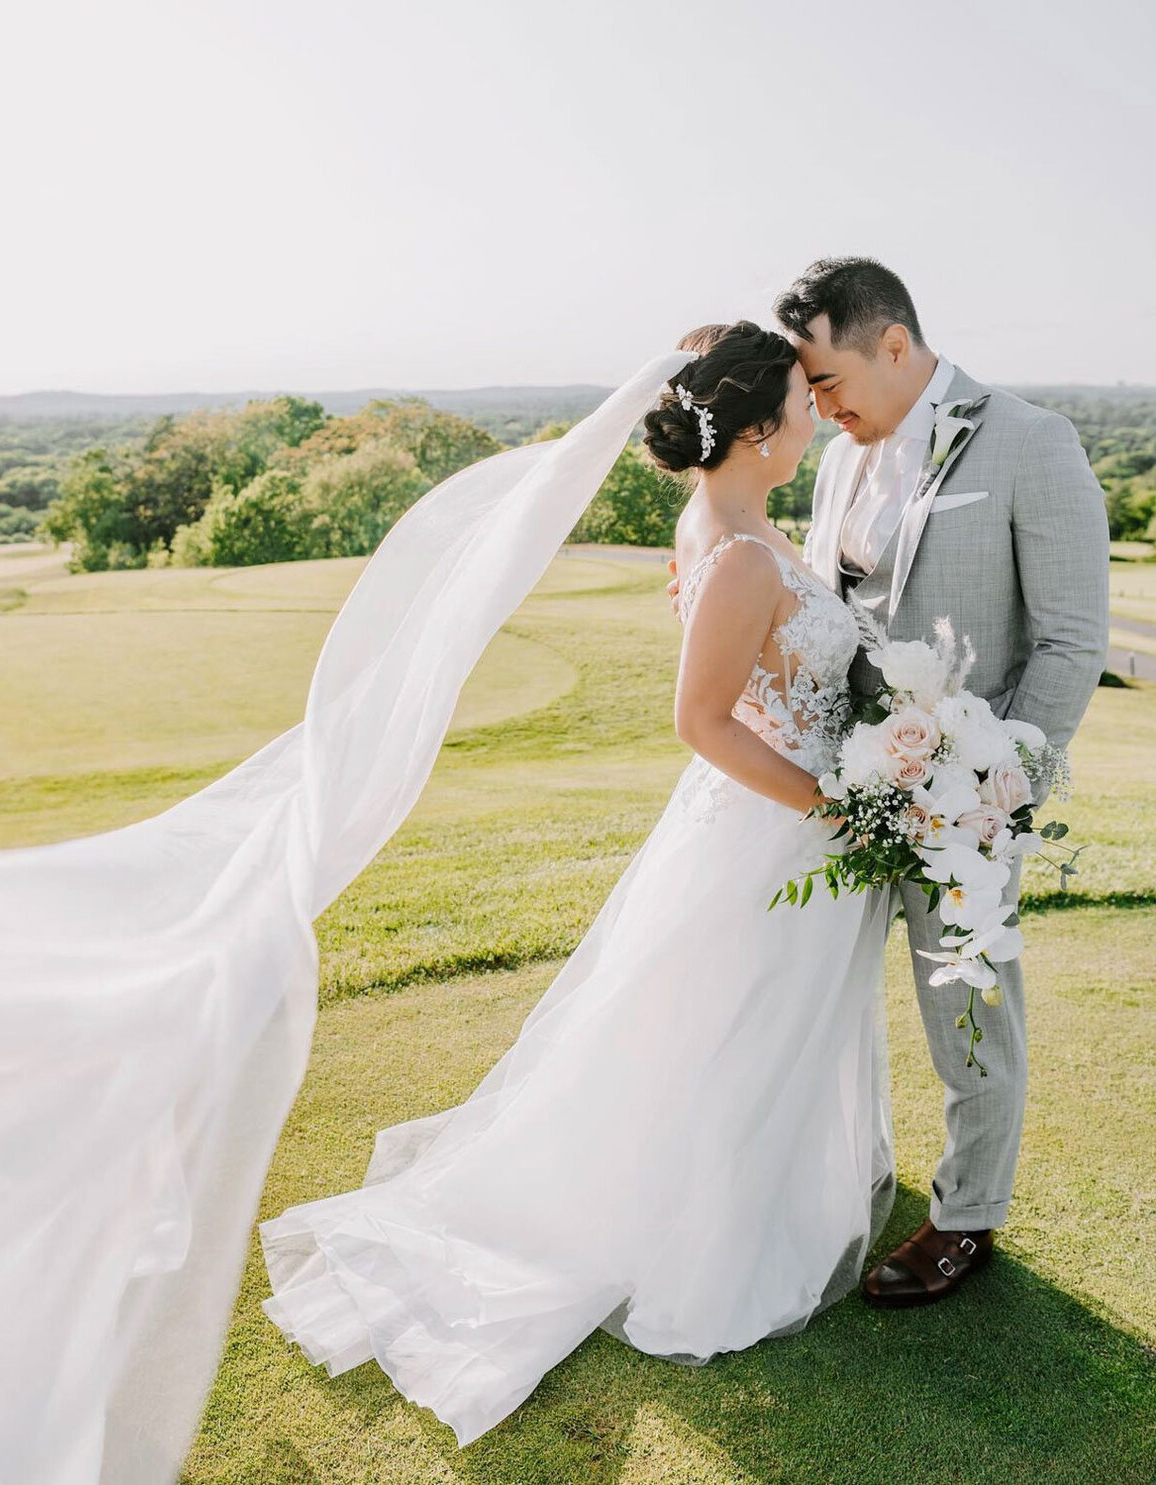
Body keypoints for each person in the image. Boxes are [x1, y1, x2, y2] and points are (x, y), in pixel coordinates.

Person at [260, 321, 898, 1447]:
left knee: (742, 1032)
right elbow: (699, 722)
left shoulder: (730, 522)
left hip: (779, 832)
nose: (819, 411)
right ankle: (696, 1243)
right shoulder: (742, 549)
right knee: (732, 1034)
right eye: (803, 397)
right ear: (755, 427)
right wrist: (838, 806)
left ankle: (757, 1202)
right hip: (771, 834)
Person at [669, 260, 1110, 1309]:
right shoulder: (833, 469)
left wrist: (999, 788)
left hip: (968, 798)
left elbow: (1067, 641)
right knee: (802, 1000)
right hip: (842, 795)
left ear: (895, 346)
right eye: (805, 393)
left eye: (826, 381)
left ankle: (966, 1218)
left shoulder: (1030, 443)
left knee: (968, 1002)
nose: (817, 409)